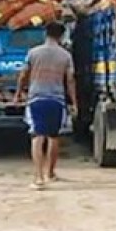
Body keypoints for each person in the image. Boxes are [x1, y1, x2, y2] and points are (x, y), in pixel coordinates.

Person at [14, 21, 78, 190]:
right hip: (57, 99)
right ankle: (50, 173)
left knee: (37, 136)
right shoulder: (65, 56)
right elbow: (70, 80)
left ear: (45, 34)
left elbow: (23, 74)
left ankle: (38, 177)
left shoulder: (33, 53)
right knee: (54, 136)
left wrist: (18, 93)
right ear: (62, 36)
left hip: (36, 98)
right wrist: (74, 102)